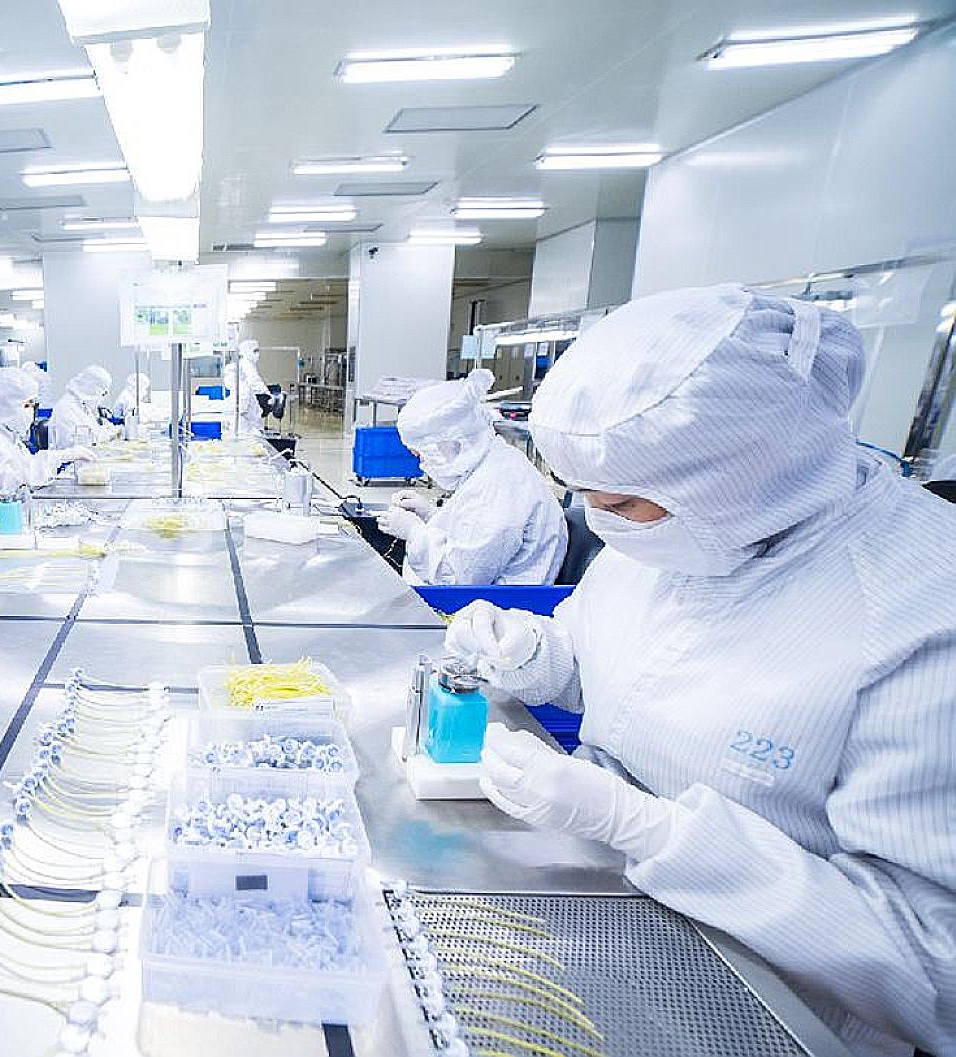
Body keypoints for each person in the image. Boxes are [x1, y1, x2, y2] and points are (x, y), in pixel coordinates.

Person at [442, 285, 956, 1057]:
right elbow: (618, 671)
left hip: (764, 1015)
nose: (597, 521)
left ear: (745, 472)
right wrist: (531, 653)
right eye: (587, 498)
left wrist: (649, 827)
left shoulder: (921, 611)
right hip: (601, 928)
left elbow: (933, 972)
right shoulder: (675, 528)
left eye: (620, 502)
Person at [378, 369, 566, 585]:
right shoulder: (492, 462)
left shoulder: (499, 483)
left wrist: (414, 532)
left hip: (490, 608)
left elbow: (460, 578)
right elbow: (473, 533)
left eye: (421, 454)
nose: (422, 463)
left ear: (449, 441)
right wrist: (431, 516)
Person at [0, 367, 94, 493]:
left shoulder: (5, 433)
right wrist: (60, 457)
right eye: (26, 405)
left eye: (32, 405)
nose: (30, 411)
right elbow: (11, 483)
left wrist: (59, 457)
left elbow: (26, 465)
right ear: (3, 404)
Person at [48, 365, 113, 449]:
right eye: (102, 394)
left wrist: (109, 431)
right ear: (92, 388)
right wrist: (106, 436)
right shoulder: (66, 408)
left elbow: (95, 432)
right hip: (70, 460)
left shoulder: (83, 406)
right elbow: (70, 445)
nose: (101, 398)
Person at [223, 340, 270, 438]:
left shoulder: (243, 389)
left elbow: (239, 410)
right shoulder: (239, 386)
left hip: (248, 431)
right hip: (246, 428)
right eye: (255, 351)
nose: (257, 354)